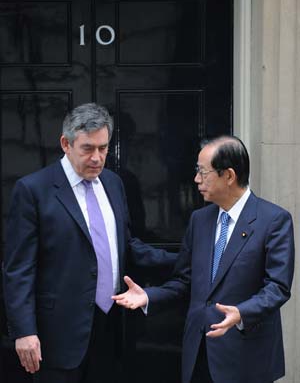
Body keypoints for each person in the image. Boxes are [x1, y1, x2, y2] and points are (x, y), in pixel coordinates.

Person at [2, 103, 176, 383]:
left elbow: (126, 246)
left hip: (112, 330)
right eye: (88, 148)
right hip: (56, 336)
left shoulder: (114, 183)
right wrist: (24, 331)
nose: (97, 157)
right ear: (65, 144)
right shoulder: (33, 190)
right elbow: (18, 269)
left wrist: (189, 258)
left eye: (103, 148)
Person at [113, 136, 295, 383]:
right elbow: (184, 281)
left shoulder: (273, 220)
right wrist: (148, 296)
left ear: (228, 176)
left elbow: (277, 287)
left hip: (246, 357)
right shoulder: (200, 220)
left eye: (203, 172)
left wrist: (241, 313)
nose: (196, 179)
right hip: (199, 354)